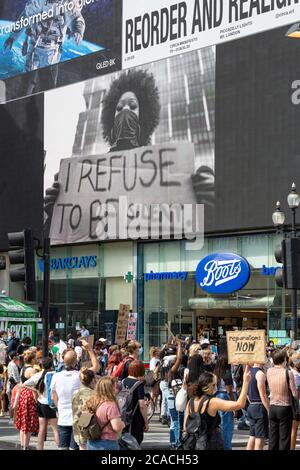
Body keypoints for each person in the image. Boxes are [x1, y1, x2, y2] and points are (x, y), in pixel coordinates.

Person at [4, 0, 85, 95]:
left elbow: (77, 19)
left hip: (52, 51)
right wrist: (12, 36)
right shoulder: (38, 2)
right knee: (26, 86)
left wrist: (78, 30)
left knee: (47, 87)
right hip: (34, 47)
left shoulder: (67, 4)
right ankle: (23, 104)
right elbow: (25, 17)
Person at [183, 366, 251, 450]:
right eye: (214, 384)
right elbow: (240, 404)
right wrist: (246, 382)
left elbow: (185, 426)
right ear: (209, 386)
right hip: (211, 442)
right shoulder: (212, 402)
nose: (216, 387)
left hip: (194, 443)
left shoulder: (191, 401)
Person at [50, 340, 99, 450]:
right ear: (76, 361)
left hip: (63, 417)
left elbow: (53, 397)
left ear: (63, 360)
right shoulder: (80, 375)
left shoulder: (55, 377)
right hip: (79, 418)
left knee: (62, 447)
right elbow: (96, 367)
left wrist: (60, 407)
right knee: (78, 447)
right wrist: (90, 349)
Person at [23, 357, 59, 450]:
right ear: (52, 365)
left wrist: (36, 389)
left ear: (41, 366)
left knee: (42, 429)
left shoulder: (37, 375)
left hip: (41, 403)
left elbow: (24, 384)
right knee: (55, 430)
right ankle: (60, 448)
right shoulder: (56, 375)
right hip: (51, 404)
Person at [267, 349, 298, 450]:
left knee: (273, 438)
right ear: (284, 359)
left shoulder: (269, 371)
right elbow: (294, 393)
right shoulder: (288, 373)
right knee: (284, 439)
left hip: (272, 407)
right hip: (285, 407)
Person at [85, 376, 125, 450]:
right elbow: (117, 427)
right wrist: (123, 424)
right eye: (115, 387)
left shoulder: (92, 402)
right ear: (111, 389)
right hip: (107, 443)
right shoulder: (111, 405)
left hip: (91, 442)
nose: (117, 389)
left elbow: (83, 422)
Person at [160, 337, 184, 449]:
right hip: (174, 397)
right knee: (176, 421)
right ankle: (176, 443)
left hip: (170, 395)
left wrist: (169, 343)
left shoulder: (163, 362)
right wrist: (179, 344)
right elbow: (179, 358)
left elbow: (161, 352)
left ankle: (173, 442)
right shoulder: (172, 369)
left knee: (174, 421)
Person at [14, 351, 39, 450]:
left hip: (23, 395)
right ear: (32, 359)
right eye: (35, 358)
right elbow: (34, 386)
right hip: (29, 396)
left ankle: (22, 445)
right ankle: (26, 446)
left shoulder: (23, 369)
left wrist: (16, 399)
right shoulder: (32, 370)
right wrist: (37, 400)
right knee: (29, 423)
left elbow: (21, 384)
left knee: (23, 422)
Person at [122, 360, 149, 445]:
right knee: (135, 443)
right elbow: (142, 405)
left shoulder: (122, 382)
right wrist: (146, 421)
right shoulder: (139, 384)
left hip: (123, 417)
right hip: (135, 418)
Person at [72, 368, 97, 450]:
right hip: (88, 427)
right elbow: (87, 413)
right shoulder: (92, 394)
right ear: (93, 380)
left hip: (77, 424)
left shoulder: (75, 393)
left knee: (81, 447)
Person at [246, 363, 269, 451]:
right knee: (260, 438)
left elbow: (247, 393)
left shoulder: (248, 372)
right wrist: (269, 409)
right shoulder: (260, 373)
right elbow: (262, 394)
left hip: (251, 405)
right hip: (259, 406)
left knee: (252, 435)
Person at [214, 355, 236, 450]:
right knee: (227, 426)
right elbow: (229, 390)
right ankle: (227, 447)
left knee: (221, 424)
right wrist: (233, 405)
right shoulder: (227, 373)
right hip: (226, 397)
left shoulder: (216, 372)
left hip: (218, 396)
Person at [289, 354, 300, 450]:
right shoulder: (295, 374)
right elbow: (295, 393)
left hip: (294, 404)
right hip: (296, 405)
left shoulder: (293, 373)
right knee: (294, 429)